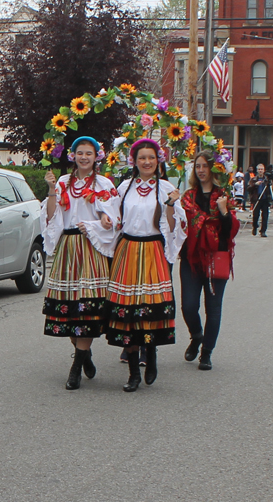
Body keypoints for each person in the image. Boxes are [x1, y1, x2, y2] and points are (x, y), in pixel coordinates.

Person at [106, 139, 187, 392]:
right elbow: (114, 218)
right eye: (142, 158)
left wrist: (172, 206)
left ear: (158, 160)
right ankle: (133, 373)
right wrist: (106, 221)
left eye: (151, 157)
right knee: (128, 311)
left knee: (149, 309)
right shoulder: (124, 187)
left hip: (153, 250)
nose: (147, 162)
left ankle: (150, 354)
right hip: (128, 250)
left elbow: (173, 228)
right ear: (134, 161)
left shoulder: (166, 189)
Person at [42, 136, 120, 390]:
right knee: (68, 308)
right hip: (68, 247)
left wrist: (105, 221)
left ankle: (76, 367)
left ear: (96, 156)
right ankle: (84, 355)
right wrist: (52, 189)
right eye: (80, 153)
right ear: (72, 155)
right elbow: (53, 215)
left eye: (89, 153)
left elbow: (111, 214)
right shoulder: (64, 182)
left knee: (87, 308)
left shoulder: (103, 183)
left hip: (89, 245)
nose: (84, 157)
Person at [180, 150, 240, 371]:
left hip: (216, 257)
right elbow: (182, 224)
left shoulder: (224, 196)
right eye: (198, 166)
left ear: (213, 169)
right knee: (188, 306)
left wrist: (224, 212)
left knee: (213, 309)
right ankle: (196, 336)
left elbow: (230, 231)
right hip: (192, 257)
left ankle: (206, 352)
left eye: (205, 166)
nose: (201, 170)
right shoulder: (188, 197)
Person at [248, 163, 273, 237]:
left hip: (265, 199)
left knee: (265, 216)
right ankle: (255, 226)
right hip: (256, 199)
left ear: (264, 170)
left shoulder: (267, 179)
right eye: (259, 169)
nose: (260, 171)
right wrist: (255, 184)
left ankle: (263, 231)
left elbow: (271, 189)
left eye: (262, 169)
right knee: (255, 215)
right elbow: (248, 189)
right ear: (257, 170)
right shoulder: (253, 179)